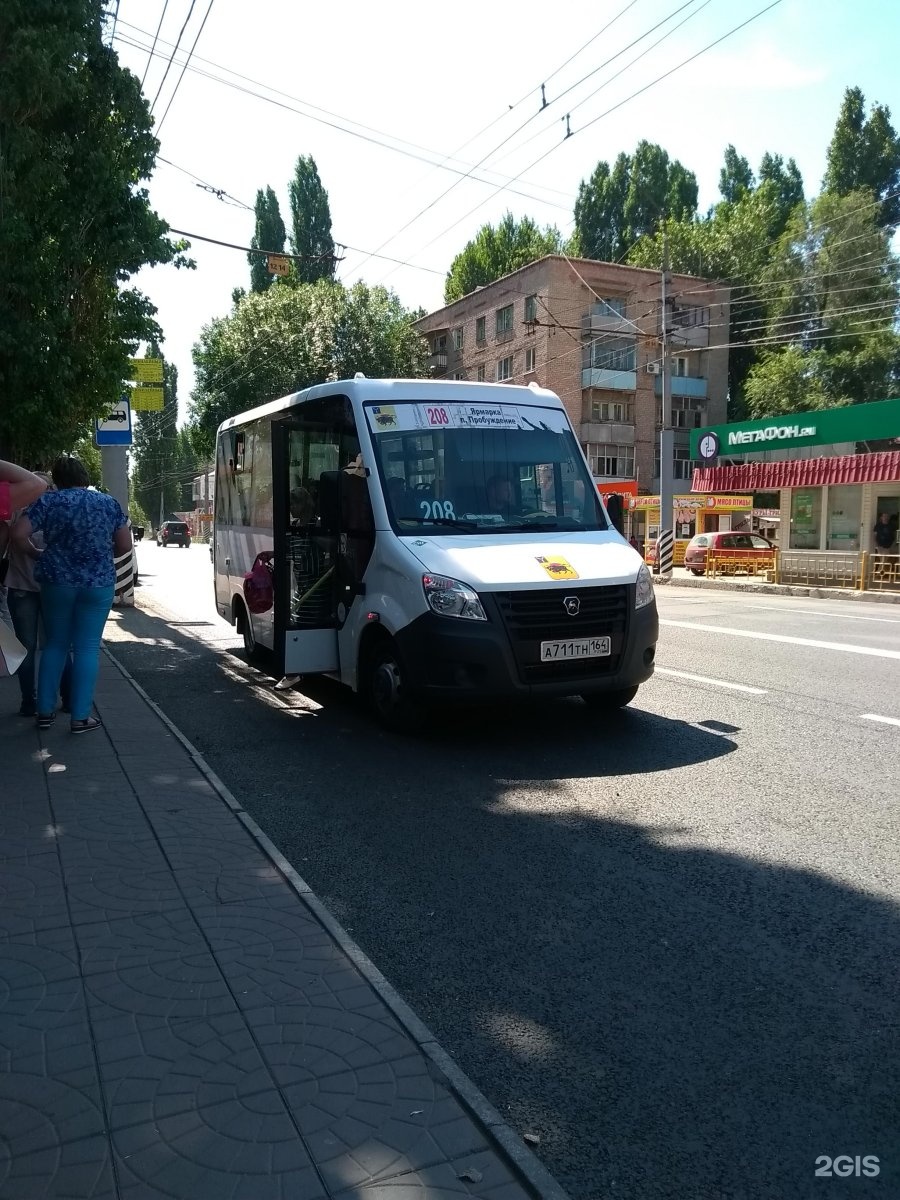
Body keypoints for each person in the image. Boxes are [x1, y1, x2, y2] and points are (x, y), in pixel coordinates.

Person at [12, 455, 132, 734]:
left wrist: (36, 553)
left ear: (58, 479)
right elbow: (124, 545)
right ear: (84, 478)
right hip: (98, 583)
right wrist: (100, 556)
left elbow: (19, 533)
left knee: (55, 645)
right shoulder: (107, 503)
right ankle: (80, 717)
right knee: (88, 648)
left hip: (57, 582)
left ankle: (44, 712)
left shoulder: (48, 501)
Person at [2, 474, 72, 717]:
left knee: (26, 648)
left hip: (21, 588)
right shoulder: (58, 514)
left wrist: (29, 553)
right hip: (54, 588)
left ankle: (28, 702)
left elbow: (7, 541)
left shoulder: (17, 514)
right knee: (59, 644)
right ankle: (69, 699)